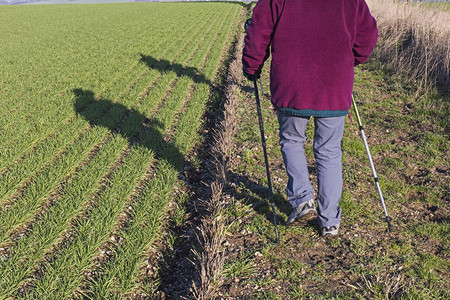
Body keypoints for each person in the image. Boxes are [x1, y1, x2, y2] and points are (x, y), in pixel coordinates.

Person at [242, 0, 378, 236]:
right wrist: (350, 60)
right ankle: (330, 221)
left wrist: (252, 66)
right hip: (334, 83)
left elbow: (259, 30)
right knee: (329, 150)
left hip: (292, 84)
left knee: (292, 140)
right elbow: (367, 36)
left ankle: (303, 200)